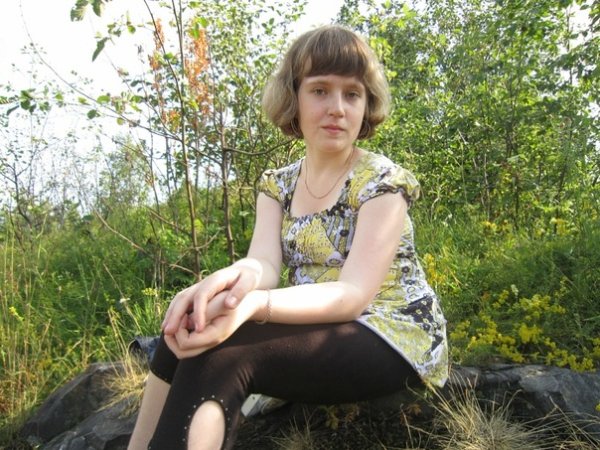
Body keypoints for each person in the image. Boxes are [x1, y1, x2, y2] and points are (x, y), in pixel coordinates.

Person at [128, 24, 448, 450]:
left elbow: (352, 295)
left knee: (225, 354)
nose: (337, 108)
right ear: (293, 98)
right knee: (185, 332)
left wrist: (252, 306)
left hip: (391, 333)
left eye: (352, 94)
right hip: (318, 323)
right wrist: (219, 288)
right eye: (320, 90)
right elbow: (263, 264)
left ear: (366, 104)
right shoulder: (278, 185)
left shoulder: (382, 182)